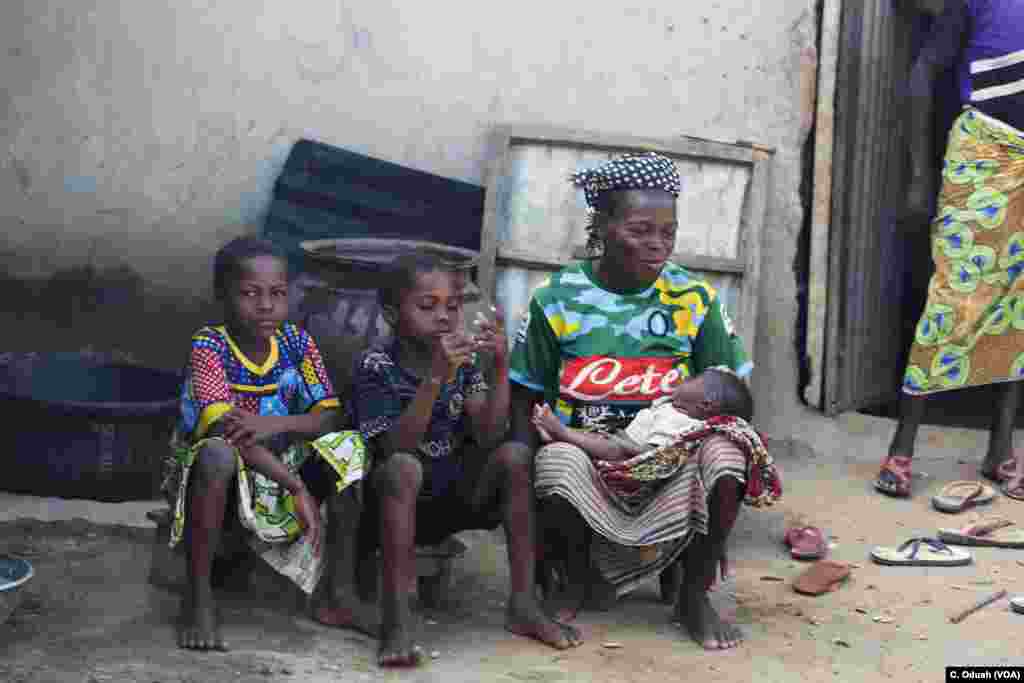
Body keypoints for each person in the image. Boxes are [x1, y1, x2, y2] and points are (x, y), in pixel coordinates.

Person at [508, 151, 755, 651]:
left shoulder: (695, 300)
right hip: (586, 460)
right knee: (556, 461)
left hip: (669, 460)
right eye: (641, 230)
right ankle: (575, 571)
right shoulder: (556, 298)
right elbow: (523, 397)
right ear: (603, 225)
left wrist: (723, 510)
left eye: (668, 231)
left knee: (729, 452)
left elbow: (733, 398)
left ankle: (694, 594)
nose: (658, 244)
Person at [349, 252, 582, 668]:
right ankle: (397, 620)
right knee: (405, 468)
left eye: (452, 306)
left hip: (452, 497)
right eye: (427, 306)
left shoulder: (464, 364)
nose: (443, 316)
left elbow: (489, 434)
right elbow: (395, 448)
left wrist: (501, 366)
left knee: (513, 455)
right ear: (390, 313)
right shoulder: (376, 365)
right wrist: (436, 375)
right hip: (394, 502)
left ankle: (524, 604)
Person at [163, 236, 375, 651]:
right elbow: (223, 430)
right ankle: (199, 596)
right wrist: (295, 485)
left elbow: (328, 416)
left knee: (352, 445)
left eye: (277, 294)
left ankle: (340, 594)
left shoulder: (297, 342)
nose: (265, 306)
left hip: (281, 464)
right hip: (226, 476)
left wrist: (270, 424)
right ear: (222, 296)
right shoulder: (210, 346)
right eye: (249, 293)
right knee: (217, 452)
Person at [876, 0, 1024, 500]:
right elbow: (923, 73)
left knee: (1020, 306)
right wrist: (920, 175)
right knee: (954, 297)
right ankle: (903, 447)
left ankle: (1001, 450)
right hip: (984, 153)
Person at [531, 368, 754, 464]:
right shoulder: (673, 408)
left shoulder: (679, 421)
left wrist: (624, 444)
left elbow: (655, 454)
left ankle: (560, 431)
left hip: (629, 458)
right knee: (598, 440)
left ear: (706, 404)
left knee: (609, 447)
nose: (686, 379)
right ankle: (560, 436)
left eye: (694, 379)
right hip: (626, 441)